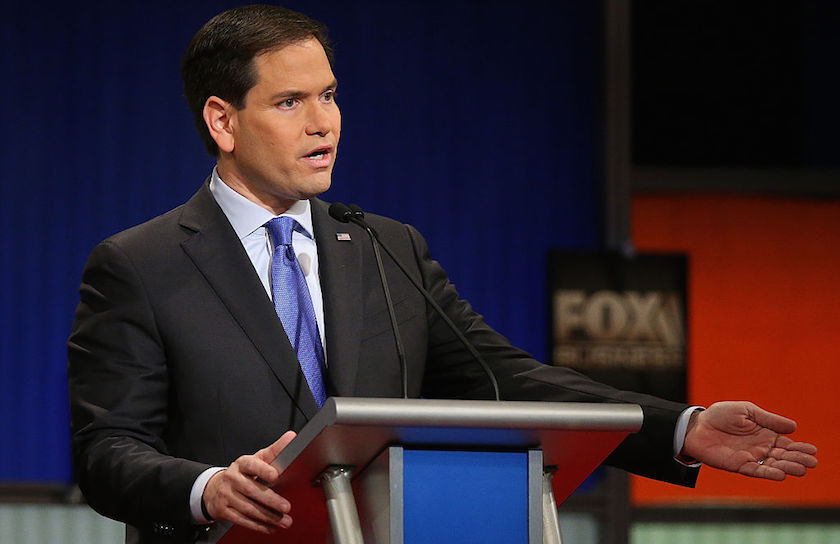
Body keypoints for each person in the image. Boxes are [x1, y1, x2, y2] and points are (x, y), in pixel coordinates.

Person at [67, 5, 817, 543]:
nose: (324, 122)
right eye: (290, 102)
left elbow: (508, 382)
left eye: (328, 94)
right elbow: (108, 452)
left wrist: (679, 428)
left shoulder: (386, 249)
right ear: (222, 121)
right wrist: (207, 489)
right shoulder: (141, 265)